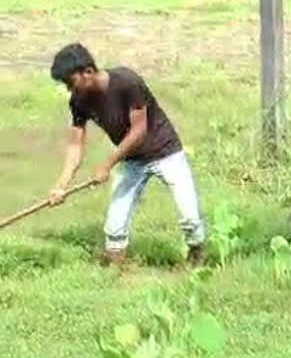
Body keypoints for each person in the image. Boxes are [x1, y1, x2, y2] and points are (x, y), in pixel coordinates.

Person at [47, 43, 205, 267]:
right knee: (115, 225)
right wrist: (61, 185)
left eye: (71, 83)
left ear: (88, 72)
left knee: (190, 217)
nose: (70, 90)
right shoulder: (79, 101)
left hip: (166, 152)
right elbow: (76, 145)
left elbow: (138, 132)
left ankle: (196, 259)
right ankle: (115, 274)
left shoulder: (127, 82)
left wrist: (108, 164)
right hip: (133, 161)